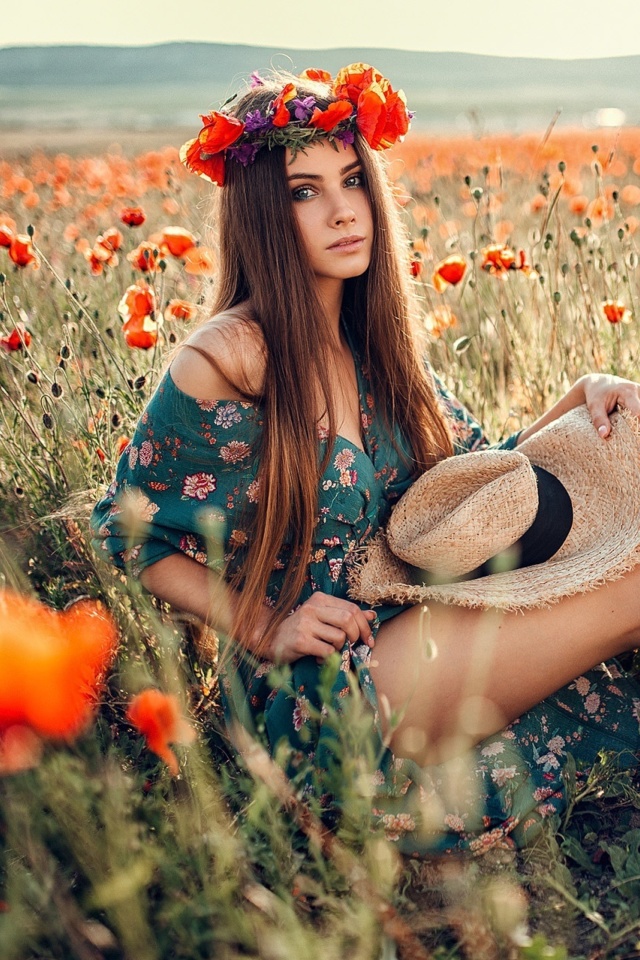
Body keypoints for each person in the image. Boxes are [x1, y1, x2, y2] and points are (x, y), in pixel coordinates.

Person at [91, 64, 640, 855]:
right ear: (261, 214)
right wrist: (267, 626)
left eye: (352, 180)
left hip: (422, 628)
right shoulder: (233, 354)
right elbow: (126, 529)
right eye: (304, 191)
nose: (344, 211)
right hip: (336, 688)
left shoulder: (374, 345)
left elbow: (475, 488)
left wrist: (581, 397)